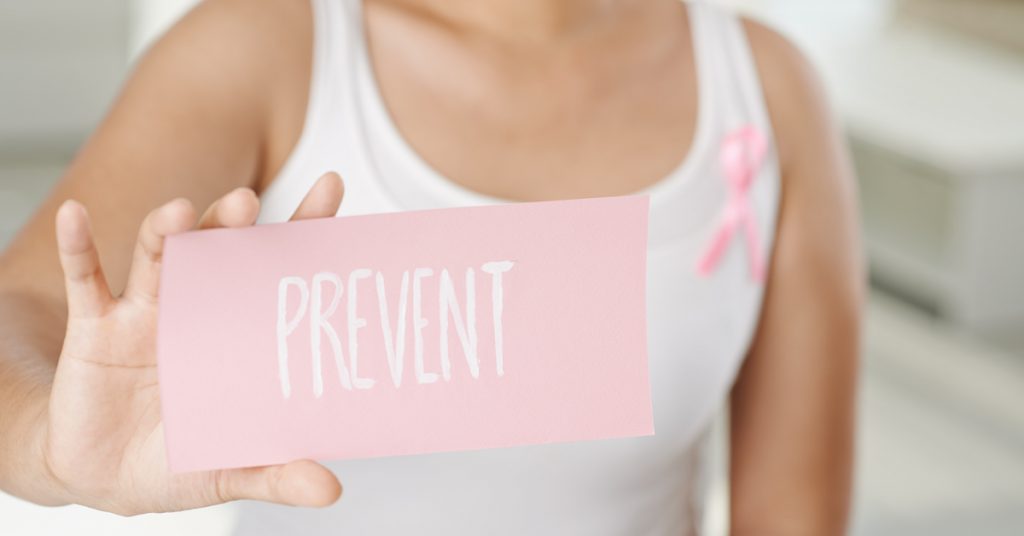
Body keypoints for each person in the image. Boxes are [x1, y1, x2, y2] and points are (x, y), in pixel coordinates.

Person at [0, 0, 862, 534]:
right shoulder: (264, 45)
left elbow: (790, 517)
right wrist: (47, 440)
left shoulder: (765, 90)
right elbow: (25, 308)